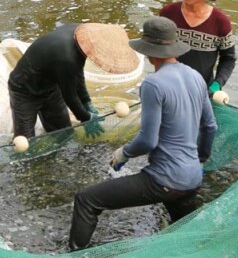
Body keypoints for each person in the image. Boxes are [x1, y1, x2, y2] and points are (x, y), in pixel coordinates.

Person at [68, 17, 217, 251]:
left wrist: (123, 153)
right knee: (184, 234)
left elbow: (148, 140)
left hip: (164, 180)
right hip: (192, 179)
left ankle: (74, 255)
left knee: (87, 200)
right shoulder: (195, 76)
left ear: (149, 52)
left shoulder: (153, 84)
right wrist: (200, 160)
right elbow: (210, 127)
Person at [8, 23, 138, 139]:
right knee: (25, 142)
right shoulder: (67, 58)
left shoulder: (79, 35)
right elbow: (69, 96)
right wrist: (86, 118)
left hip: (51, 86)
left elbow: (77, 74)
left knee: (63, 135)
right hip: (24, 90)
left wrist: (87, 102)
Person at [159, 0, 236, 96]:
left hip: (203, 91)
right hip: (169, 88)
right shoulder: (167, 14)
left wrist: (217, 84)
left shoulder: (220, 21)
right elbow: (157, 50)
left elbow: (228, 58)